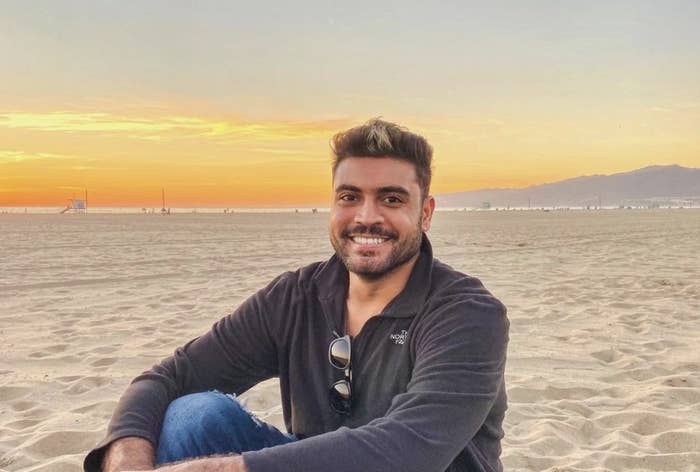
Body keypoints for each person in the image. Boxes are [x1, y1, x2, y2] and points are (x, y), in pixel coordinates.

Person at [84, 118, 509, 472]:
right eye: (349, 197)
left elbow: (410, 448)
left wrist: (231, 469)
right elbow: (168, 378)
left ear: (426, 213)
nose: (366, 216)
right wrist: (125, 461)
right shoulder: (296, 297)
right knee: (192, 416)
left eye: (391, 199)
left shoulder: (468, 314)